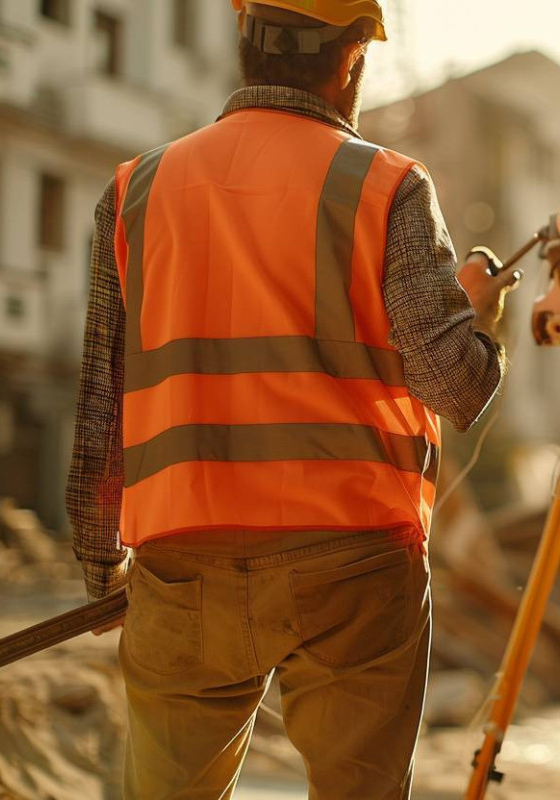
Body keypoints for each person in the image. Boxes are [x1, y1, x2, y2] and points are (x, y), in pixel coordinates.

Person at [64, 2, 519, 796]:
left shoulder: (137, 189)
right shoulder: (388, 185)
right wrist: (475, 313)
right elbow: (453, 384)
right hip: (355, 570)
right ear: (351, 60)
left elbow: (102, 402)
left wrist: (104, 568)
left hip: (184, 564)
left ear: (244, 40)